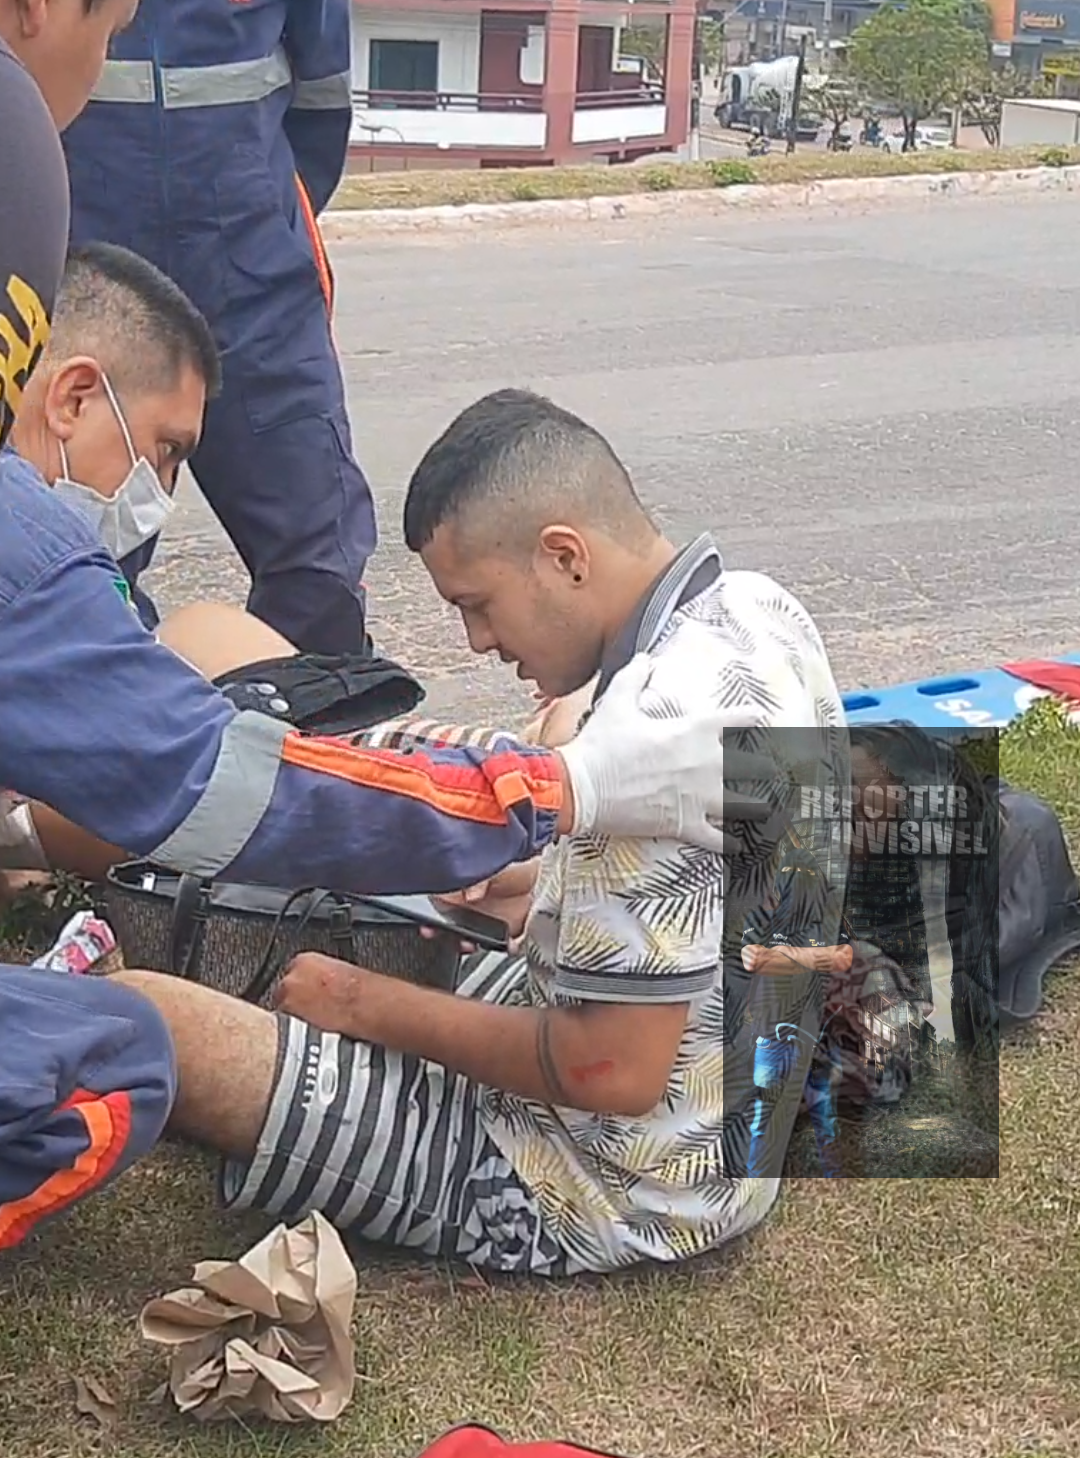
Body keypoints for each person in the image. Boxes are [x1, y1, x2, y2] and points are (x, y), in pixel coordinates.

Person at [110, 388, 847, 1276]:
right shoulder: (758, 613)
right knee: (379, 883)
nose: (474, 641)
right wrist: (547, 886)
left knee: (151, 1015)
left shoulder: (632, 762)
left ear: (563, 556)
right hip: (734, 1133)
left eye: (478, 604)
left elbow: (609, 1072)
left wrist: (364, 1006)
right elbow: (726, 890)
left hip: (598, 1187)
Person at [60, 0, 378, 655]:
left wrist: (258, 218)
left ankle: (314, 749)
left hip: (256, 279)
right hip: (83, 283)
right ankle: (126, 732)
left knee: (319, 564)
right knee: (77, 562)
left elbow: (321, 98)